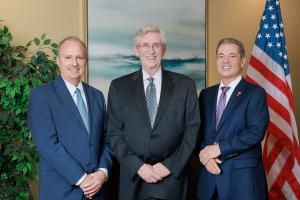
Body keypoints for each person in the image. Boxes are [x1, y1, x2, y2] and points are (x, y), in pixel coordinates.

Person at [107, 25, 200, 200]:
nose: (151, 50)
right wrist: (138, 167)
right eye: (145, 45)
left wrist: (169, 166)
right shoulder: (119, 87)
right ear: (137, 50)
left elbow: (192, 130)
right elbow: (114, 132)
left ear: (163, 50)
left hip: (173, 178)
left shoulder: (185, 85)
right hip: (133, 178)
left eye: (156, 45)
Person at [28, 36, 112, 200]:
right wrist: (82, 178)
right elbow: (47, 144)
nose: (74, 63)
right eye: (68, 57)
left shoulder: (97, 96)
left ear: (85, 62)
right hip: (61, 191)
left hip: (97, 191)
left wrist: (102, 173)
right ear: (58, 61)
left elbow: (106, 139)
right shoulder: (41, 95)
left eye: (79, 57)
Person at [197, 38, 269, 200]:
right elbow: (196, 132)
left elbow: (255, 131)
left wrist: (219, 149)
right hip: (209, 180)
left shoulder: (255, 93)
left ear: (242, 61)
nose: (225, 61)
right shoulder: (205, 95)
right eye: (221, 56)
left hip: (241, 182)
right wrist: (205, 157)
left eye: (232, 56)